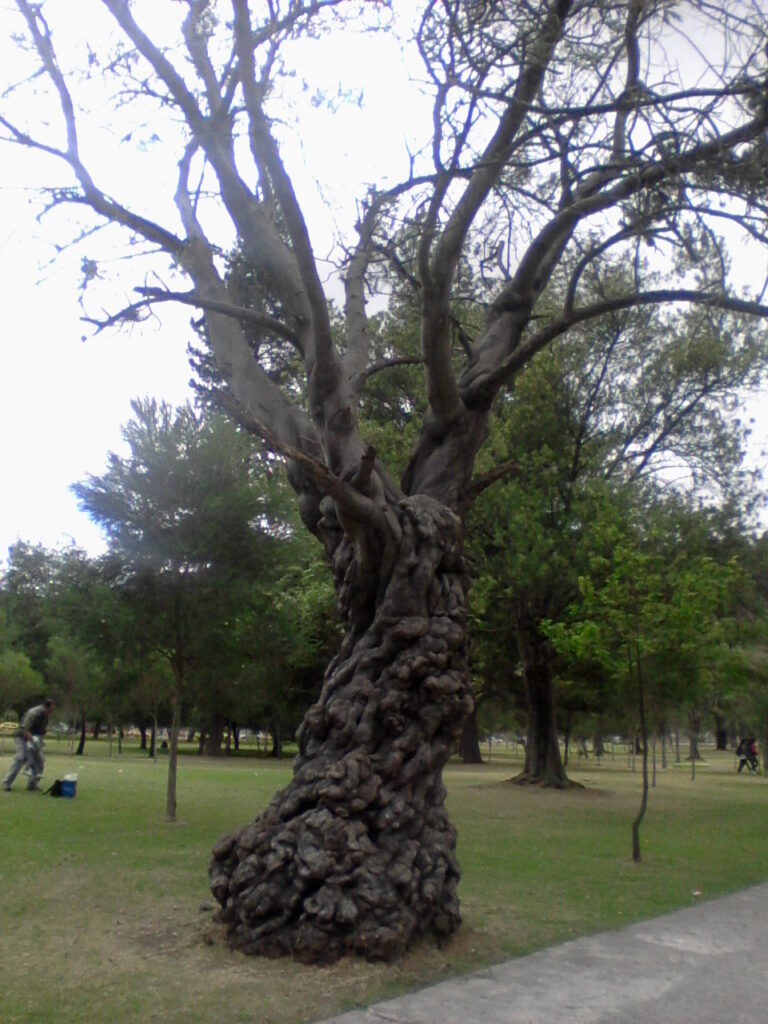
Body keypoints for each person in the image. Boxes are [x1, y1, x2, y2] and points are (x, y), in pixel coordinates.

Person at [2, 699, 55, 791]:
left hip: (35, 737)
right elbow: (25, 730)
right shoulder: (33, 713)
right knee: (20, 758)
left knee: (40, 760)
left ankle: (32, 784)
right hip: (22, 737)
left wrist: (40, 742)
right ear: (45, 707)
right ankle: (6, 782)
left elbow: (43, 731)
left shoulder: (46, 716)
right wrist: (33, 740)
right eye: (50, 710)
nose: (51, 713)